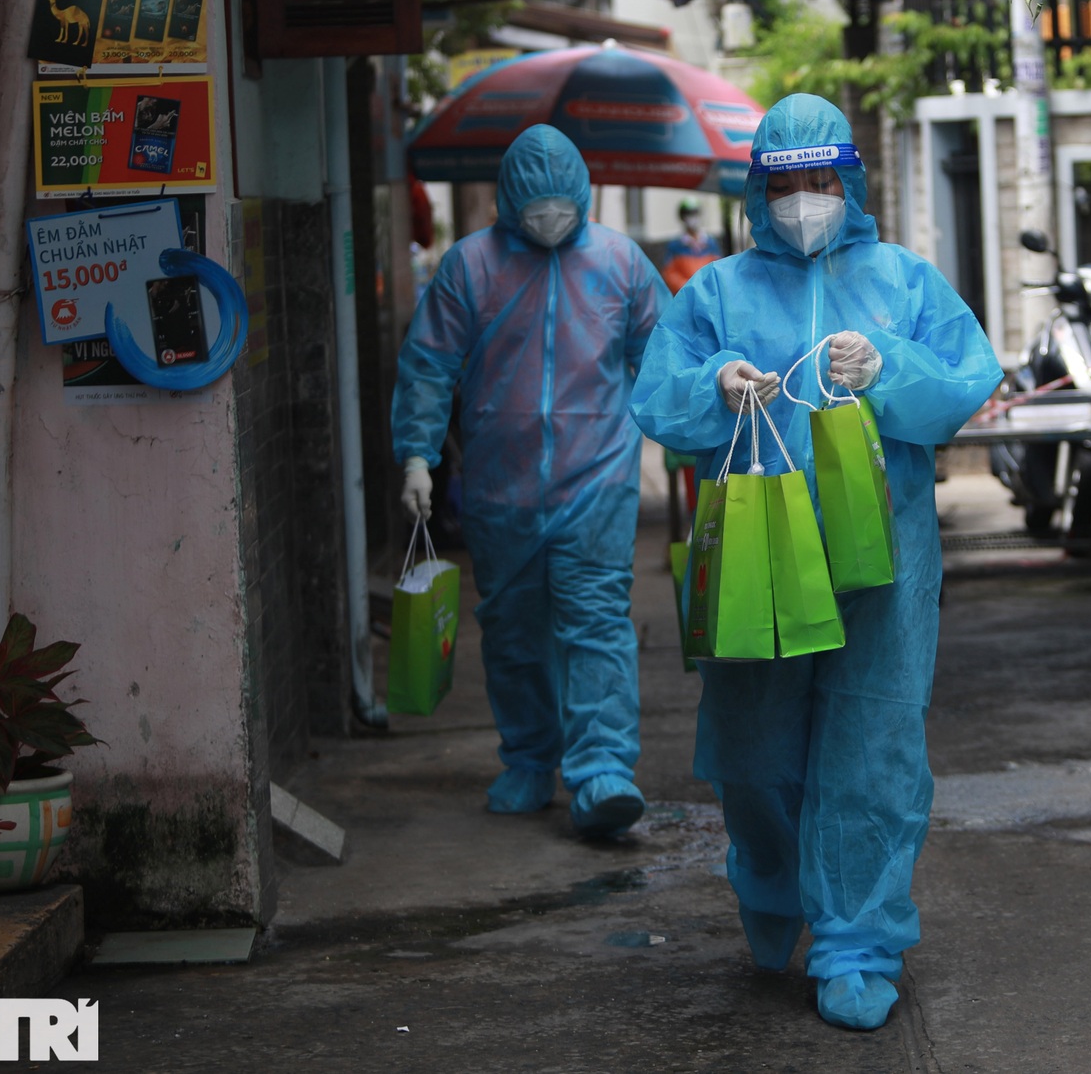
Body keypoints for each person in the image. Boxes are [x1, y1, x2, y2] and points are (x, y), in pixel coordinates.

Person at [630, 94, 1002, 1031]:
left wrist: (889, 368)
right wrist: (716, 383)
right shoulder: (714, 292)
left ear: (849, 182)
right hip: (760, 553)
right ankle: (771, 882)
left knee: (872, 747)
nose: (803, 199)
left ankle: (856, 940)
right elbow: (659, 393)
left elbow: (964, 381)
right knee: (754, 752)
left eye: (817, 181)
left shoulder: (905, 281)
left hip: (881, 556)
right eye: (784, 183)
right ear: (759, 190)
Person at [393, 124, 669, 837]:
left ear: (581, 193)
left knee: (597, 624)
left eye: (560, 201)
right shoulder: (470, 268)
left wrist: (687, 440)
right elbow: (428, 363)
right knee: (512, 631)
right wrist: (418, 453)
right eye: (536, 202)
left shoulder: (621, 263)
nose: (550, 215)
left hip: (598, 478)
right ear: (511, 199)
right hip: (500, 485)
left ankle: (604, 768)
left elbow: (665, 361)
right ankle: (526, 757)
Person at [659, 196, 722, 295]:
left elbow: (718, 270)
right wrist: (688, 287)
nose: (692, 218)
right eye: (688, 214)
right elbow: (669, 274)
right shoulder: (675, 246)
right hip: (685, 296)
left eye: (694, 213)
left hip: (709, 295)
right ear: (682, 217)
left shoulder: (710, 243)